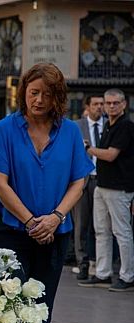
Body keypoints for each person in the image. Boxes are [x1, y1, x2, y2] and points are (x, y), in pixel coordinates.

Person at [0, 63, 93, 321]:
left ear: (58, 97)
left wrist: (55, 217)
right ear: (23, 93)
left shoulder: (71, 132)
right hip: (9, 229)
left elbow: (79, 182)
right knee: (5, 308)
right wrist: (32, 222)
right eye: (33, 92)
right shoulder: (4, 129)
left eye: (47, 94)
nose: (39, 100)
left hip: (55, 232)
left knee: (40, 310)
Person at [79, 88, 134, 292]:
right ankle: (103, 273)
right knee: (101, 231)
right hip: (102, 186)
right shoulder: (109, 126)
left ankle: (128, 276)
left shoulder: (125, 126)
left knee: (122, 232)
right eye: (107, 103)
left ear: (123, 105)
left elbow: (111, 155)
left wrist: (87, 149)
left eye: (114, 103)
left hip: (119, 188)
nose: (110, 106)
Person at [72, 95, 104, 280]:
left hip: (103, 180)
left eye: (101, 104)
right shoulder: (76, 127)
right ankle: (82, 263)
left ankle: (97, 263)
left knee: (99, 225)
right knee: (81, 224)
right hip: (82, 181)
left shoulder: (108, 125)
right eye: (96, 104)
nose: (99, 107)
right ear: (88, 106)